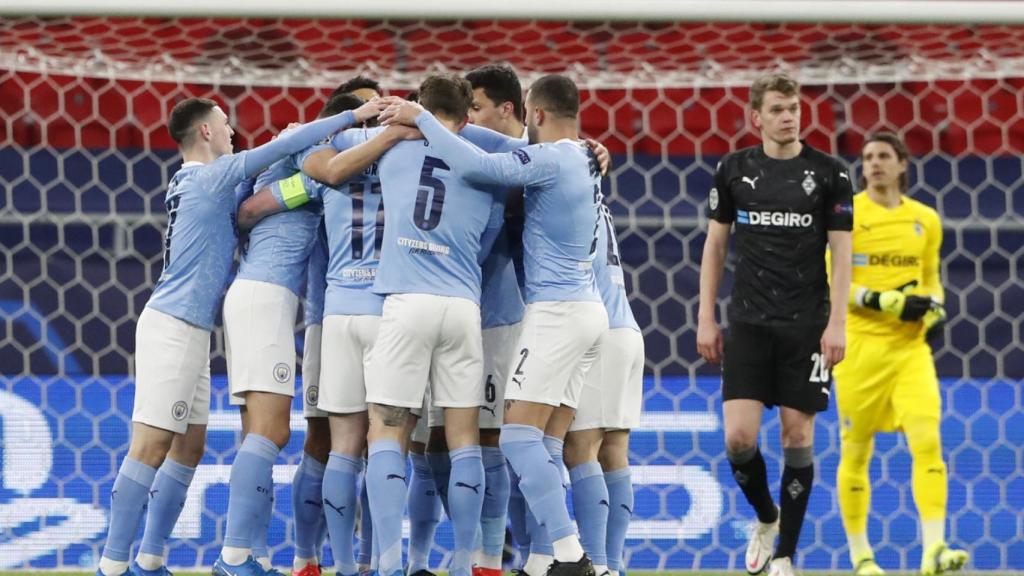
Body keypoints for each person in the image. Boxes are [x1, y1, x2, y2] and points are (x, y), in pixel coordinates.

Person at [96, 95, 383, 576]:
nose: (234, 132)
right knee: (155, 443)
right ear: (206, 132)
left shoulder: (202, 182)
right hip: (180, 322)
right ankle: (115, 565)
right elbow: (284, 159)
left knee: (189, 446)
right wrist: (349, 120)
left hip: (195, 324)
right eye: (226, 124)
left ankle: (148, 560)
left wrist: (293, 163)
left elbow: (253, 203)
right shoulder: (212, 175)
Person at [381, 73, 609, 576]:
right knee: (547, 443)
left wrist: (420, 117)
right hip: (589, 311)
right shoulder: (582, 158)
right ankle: (544, 558)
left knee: (515, 439)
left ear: (539, 114)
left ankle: (571, 556)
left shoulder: (551, 158)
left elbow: (477, 163)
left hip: (556, 313)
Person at [210, 95, 389, 576]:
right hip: (274, 300)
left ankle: (252, 555)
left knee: (261, 432)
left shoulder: (302, 154)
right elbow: (247, 210)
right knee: (279, 433)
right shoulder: (308, 159)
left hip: (270, 298)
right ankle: (237, 556)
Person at [695, 73, 853, 576]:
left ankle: (785, 553)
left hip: (806, 325)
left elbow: (843, 254)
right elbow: (715, 246)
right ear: (755, 117)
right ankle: (767, 517)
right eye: (779, 109)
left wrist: (837, 324)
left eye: (795, 107)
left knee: (795, 435)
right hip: (748, 322)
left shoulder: (830, 173)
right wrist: (705, 315)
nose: (790, 116)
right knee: (739, 438)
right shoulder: (734, 169)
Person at [361, 74, 506, 576]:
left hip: (407, 302)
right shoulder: (483, 168)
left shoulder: (393, 150)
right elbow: (488, 241)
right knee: (464, 436)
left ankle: (387, 564)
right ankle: (464, 564)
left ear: (417, 107)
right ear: (467, 118)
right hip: (463, 306)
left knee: (388, 429)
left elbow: (331, 150)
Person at [833, 133, 967, 576]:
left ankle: (934, 550)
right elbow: (832, 282)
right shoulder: (847, 214)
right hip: (860, 349)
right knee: (857, 452)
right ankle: (861, 557)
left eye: (883, 156)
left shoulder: (925, 220)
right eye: (867, 157)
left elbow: (930, 279)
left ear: (902, 164)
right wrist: (883, 301)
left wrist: (932, 310)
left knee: (928, 442)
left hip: (910, 350)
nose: (873, 164)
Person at [564, 200, 643, 576]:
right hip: (627, 327)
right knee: (614, 451)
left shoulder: (562, 187)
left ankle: (596, 563)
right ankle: (613, 565)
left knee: (581, 448)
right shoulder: (598, 199)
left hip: (601, 330)